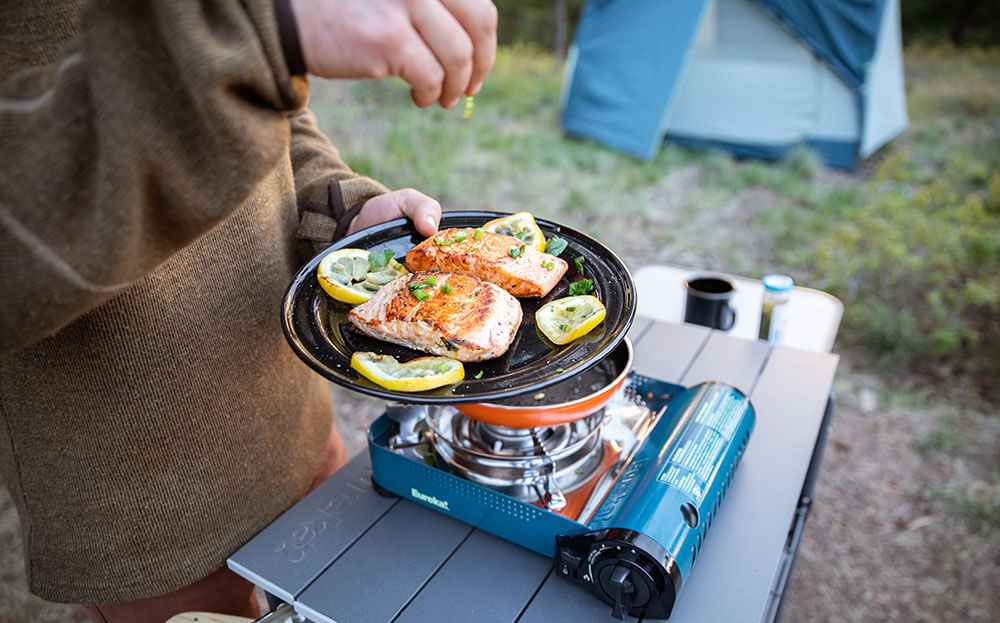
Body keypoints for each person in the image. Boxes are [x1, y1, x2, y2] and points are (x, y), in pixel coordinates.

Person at [0, 1, 497, 621]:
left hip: (300, 428)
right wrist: (263, 34)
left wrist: (345, 215)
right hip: (155, 508)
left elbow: (270, 113)